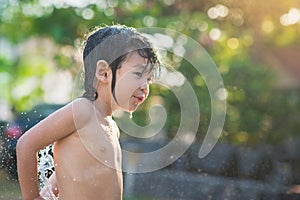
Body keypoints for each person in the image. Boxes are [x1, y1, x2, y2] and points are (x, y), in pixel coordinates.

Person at [16, 24, 160, 200]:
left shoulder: (112, 127)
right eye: (138, 74)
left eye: (149, 79)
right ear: (104, 73)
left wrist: (50, 191)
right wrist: (33, 198)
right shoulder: (83, 110)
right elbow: (26, 145)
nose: (145, 87)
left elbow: (73, 170)